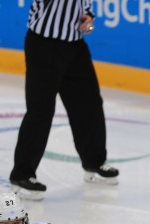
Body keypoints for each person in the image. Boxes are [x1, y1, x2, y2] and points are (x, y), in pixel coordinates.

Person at [10, 0, 118, 201]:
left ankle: (94, 163)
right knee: (40, 110)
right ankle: (22, 175)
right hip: (43, 44)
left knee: (89, 104)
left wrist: (87, 15)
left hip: (74, 46)